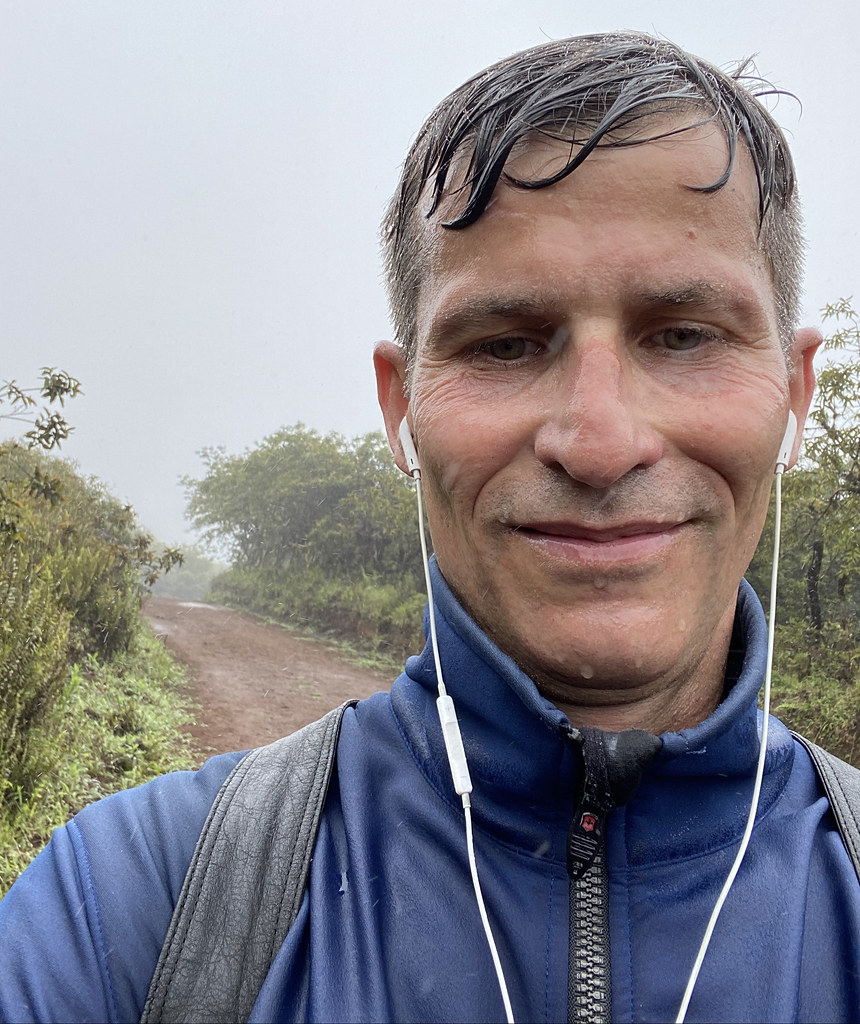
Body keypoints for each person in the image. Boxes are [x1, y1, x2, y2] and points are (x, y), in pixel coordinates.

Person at [1, 30, 858, 1024]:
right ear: (400, 406)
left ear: (794, 394)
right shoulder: (124, 909)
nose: (598, 441)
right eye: (503, 346)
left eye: (683, 336)